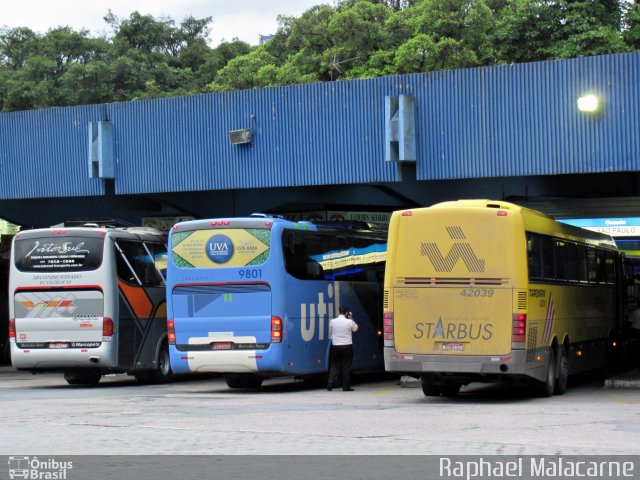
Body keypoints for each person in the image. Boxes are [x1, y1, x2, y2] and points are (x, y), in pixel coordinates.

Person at [327, 306, 358, 391]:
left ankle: (330, 383)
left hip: (335, 346)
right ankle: (345, 387)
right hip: (347, 346)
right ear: (346, 313)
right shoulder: (349, 322)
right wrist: (351, 318)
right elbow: (355, 329)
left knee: (334, 365)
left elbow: (330, 332)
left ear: (339, 311)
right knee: (346, 367)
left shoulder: (332, 321)